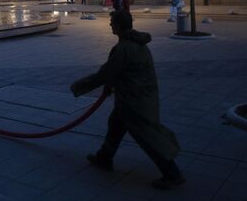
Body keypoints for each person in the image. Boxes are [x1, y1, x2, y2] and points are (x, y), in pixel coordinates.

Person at [70, 10, 185, 190]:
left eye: (111, 21)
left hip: (135, 100)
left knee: (146, 135)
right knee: (115, 124)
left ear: (118, 25)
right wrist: (111, 86)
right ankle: (104, 158)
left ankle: (171, 172)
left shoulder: (125, 48)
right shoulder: (135, 43)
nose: (109, 24)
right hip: (134, 97)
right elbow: (120, 72)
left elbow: (107, 73)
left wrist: (79, 86)